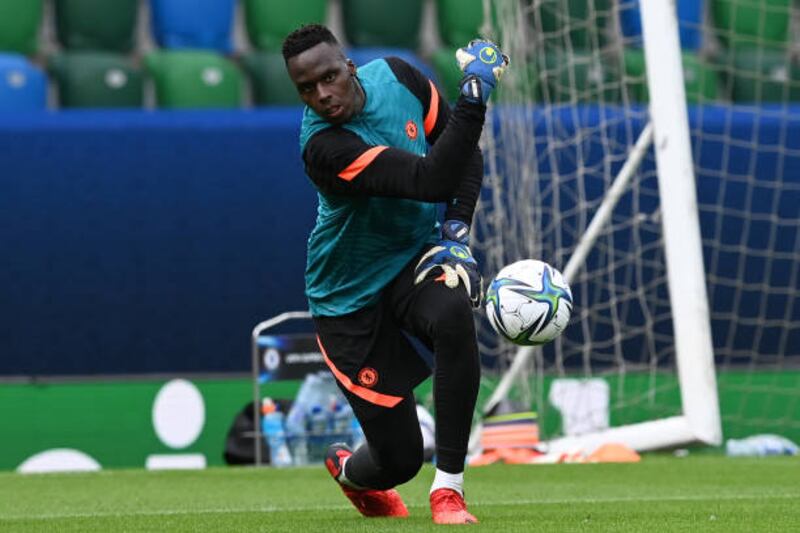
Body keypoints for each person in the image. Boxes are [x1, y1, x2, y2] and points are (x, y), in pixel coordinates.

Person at [281, 24, 508, 525]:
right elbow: (432, 178)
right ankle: (349, 471)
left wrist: (454, 235)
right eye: (307, 89)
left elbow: (465, 155)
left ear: (349, 66)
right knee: (399, 459)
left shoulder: (400, 78)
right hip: (348, 297)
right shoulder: (324, 148)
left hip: (411, 259)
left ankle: (449, 492)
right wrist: (474, 96)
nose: (323, 94)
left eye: (329, 77)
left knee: (451, 311)